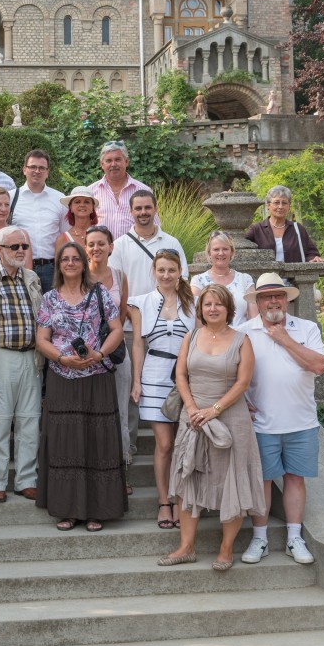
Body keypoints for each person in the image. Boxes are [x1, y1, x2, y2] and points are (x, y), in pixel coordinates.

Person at [157, 284, 265, 569]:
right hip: (193, 418)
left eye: (218, 304)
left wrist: (214, 410)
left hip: (230, 418)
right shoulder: (191, 336)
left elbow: (243, 382)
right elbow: (181, 375)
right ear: (200, 309)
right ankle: (186, 547)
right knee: (188, 480)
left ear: (229, 308)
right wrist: (193, 409)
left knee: (233, 482)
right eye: (207, 304)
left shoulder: (242, 340)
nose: (213, 308)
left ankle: (226, 550)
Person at [36, 241, 127, 532]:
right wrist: (63, 358)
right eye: (66, 259)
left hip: (97, 376)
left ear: (83, 262)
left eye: (77, 258)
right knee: (66, 443)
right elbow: (41, 340)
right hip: (62, 378)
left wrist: (99, 355)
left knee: (97, 444)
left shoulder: (100, 293)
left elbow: (116, 330)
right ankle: (67, 509)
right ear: (59, 264)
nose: (71, 263)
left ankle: (96, 510)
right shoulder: (49, 298)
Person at [239, 273, 324, 566]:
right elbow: (231, 375)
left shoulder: (306, 328)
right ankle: (260, 539)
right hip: (261, 423)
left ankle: (294, 538)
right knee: (262, 481)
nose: (273, 301)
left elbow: (318, 365)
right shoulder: (244, 332)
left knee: (295, 479)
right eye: (266, 296)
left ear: (287, 299)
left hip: (301, 421)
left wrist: (284, 339)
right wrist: (239, 403)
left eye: (278, 295)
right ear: (258, 302)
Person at [110, 189, 188, 459]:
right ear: (130, 212)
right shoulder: (120, 244)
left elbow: (184, 282)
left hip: (170, 329)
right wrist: (131, 315)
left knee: (177, 388)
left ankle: (177, 452)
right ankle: (129, 449)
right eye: (138, 208)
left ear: (155, 209)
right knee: (133, 390)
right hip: (132, 329)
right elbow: (115, 286)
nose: (143, 212)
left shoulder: (172, 242)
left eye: (147, 207)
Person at [0, 226, 43, 503]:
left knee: (29, 421)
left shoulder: (33, 278)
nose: (19, 252)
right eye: (13, 247)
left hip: (32, 357)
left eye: (23, 247)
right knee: (0, 422)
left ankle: (26, 479)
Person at [129, 249, 195, 531]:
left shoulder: (194, 302)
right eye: (161, 270)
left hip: (187, 378)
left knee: (183, 445)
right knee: (165, 444)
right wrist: (136, 381)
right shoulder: (140, 302)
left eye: (171, 270)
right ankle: (164, 502)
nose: (166, 275)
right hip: (155, 375)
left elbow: (202, 339)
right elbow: (137, 344)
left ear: (179, 271)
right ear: (154, 272)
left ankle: (182, 500)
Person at [85, 225, 131, 484]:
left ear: (111, 247)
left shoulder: (120, 276)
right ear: (85, 248)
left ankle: (120, 472)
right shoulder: (78, 276)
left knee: (120, 413)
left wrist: (109, 345)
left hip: (114, 353)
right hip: (86, 358)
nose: (96, 248)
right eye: (91, 244)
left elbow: (122, 313)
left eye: (101, 243)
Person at [9, 149, 68, 293]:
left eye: (42, 168)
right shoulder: (10, 198)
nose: (37, 171)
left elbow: (65, 235)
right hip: (19, 267)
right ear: (24, 170)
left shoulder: (59, 199)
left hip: (51, 269)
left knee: (53, 314)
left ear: (48, 172)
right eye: (32, 167)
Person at [88, 140, 157, 240]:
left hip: (134, 252)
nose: (113, 164)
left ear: (126, 161)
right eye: (108, 161)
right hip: (102, 253)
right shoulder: (91, 192)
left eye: (118, 159)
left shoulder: (144, 190)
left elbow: (154, 225)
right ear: (102, 164)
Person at [191, 231, 257, 327]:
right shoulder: (198, 281)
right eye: (216, 249)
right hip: (210, 339)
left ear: (231, 252)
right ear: (209, 253)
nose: (221, 253)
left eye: (225, 249)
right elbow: (197, 320)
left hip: (241, 338)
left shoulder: (245, 280)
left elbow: (254, 318)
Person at [245, 186, 323, 263]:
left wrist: (314, 258)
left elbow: (311, 252)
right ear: (268, 205)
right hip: (267, 275)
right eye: (276, 202)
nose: (280, 206)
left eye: (284, 203)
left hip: (294, 275)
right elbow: (241, 249)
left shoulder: (297, 228)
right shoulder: (257, 229)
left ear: (289, 206)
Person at [56, 186, 99, 254]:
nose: (82, 205)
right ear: (71, 208)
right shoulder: (62, 239)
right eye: (77, 202)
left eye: (87, 202)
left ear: (92, 207)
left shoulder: (101, 235)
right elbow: (59, 264)